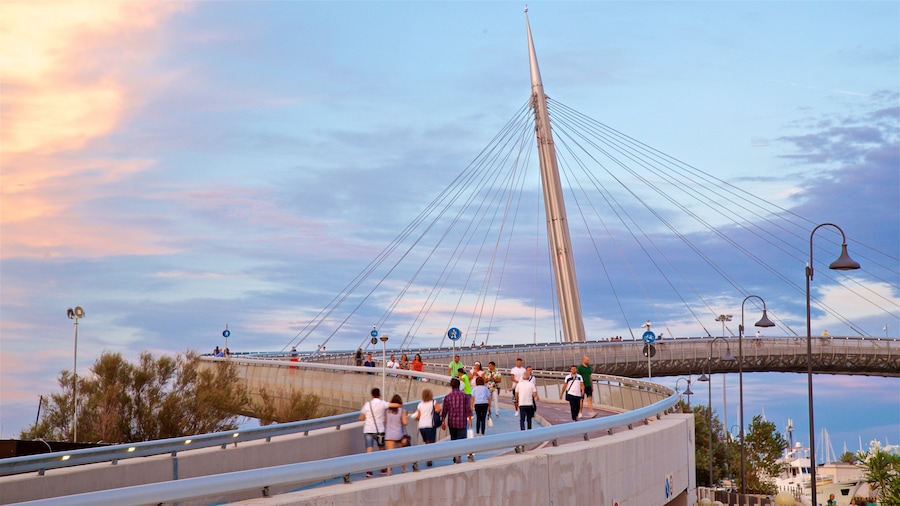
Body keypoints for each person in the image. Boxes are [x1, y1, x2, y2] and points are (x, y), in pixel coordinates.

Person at [358, 387, 389, 477]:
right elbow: (391, 405)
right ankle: (383, 468)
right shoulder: (382, 403)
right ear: (379, 395)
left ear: (372, 395)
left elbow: (361, 417)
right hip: (379, 430)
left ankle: (369, 470)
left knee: (369, 449)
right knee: (381, 449)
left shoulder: (367, 405)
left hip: (368, 429)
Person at [383, 394, 408, 474]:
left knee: (390, 454)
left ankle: (389, 470)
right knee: (401, 453)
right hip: (399, 434)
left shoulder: (387, 411)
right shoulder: (402, 411)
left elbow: (385, 421)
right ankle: (404, 469)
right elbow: (405, 422)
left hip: (389, 435)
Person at [415, 388, 440, 466]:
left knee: (426, 442)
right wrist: (434, 413)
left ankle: (428, 457)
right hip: (430, 424)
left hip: (422, 425)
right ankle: (429, 459)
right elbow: (439, 409)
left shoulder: (420, 404)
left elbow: (418, 416)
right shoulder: (433, 402)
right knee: (431, 442)